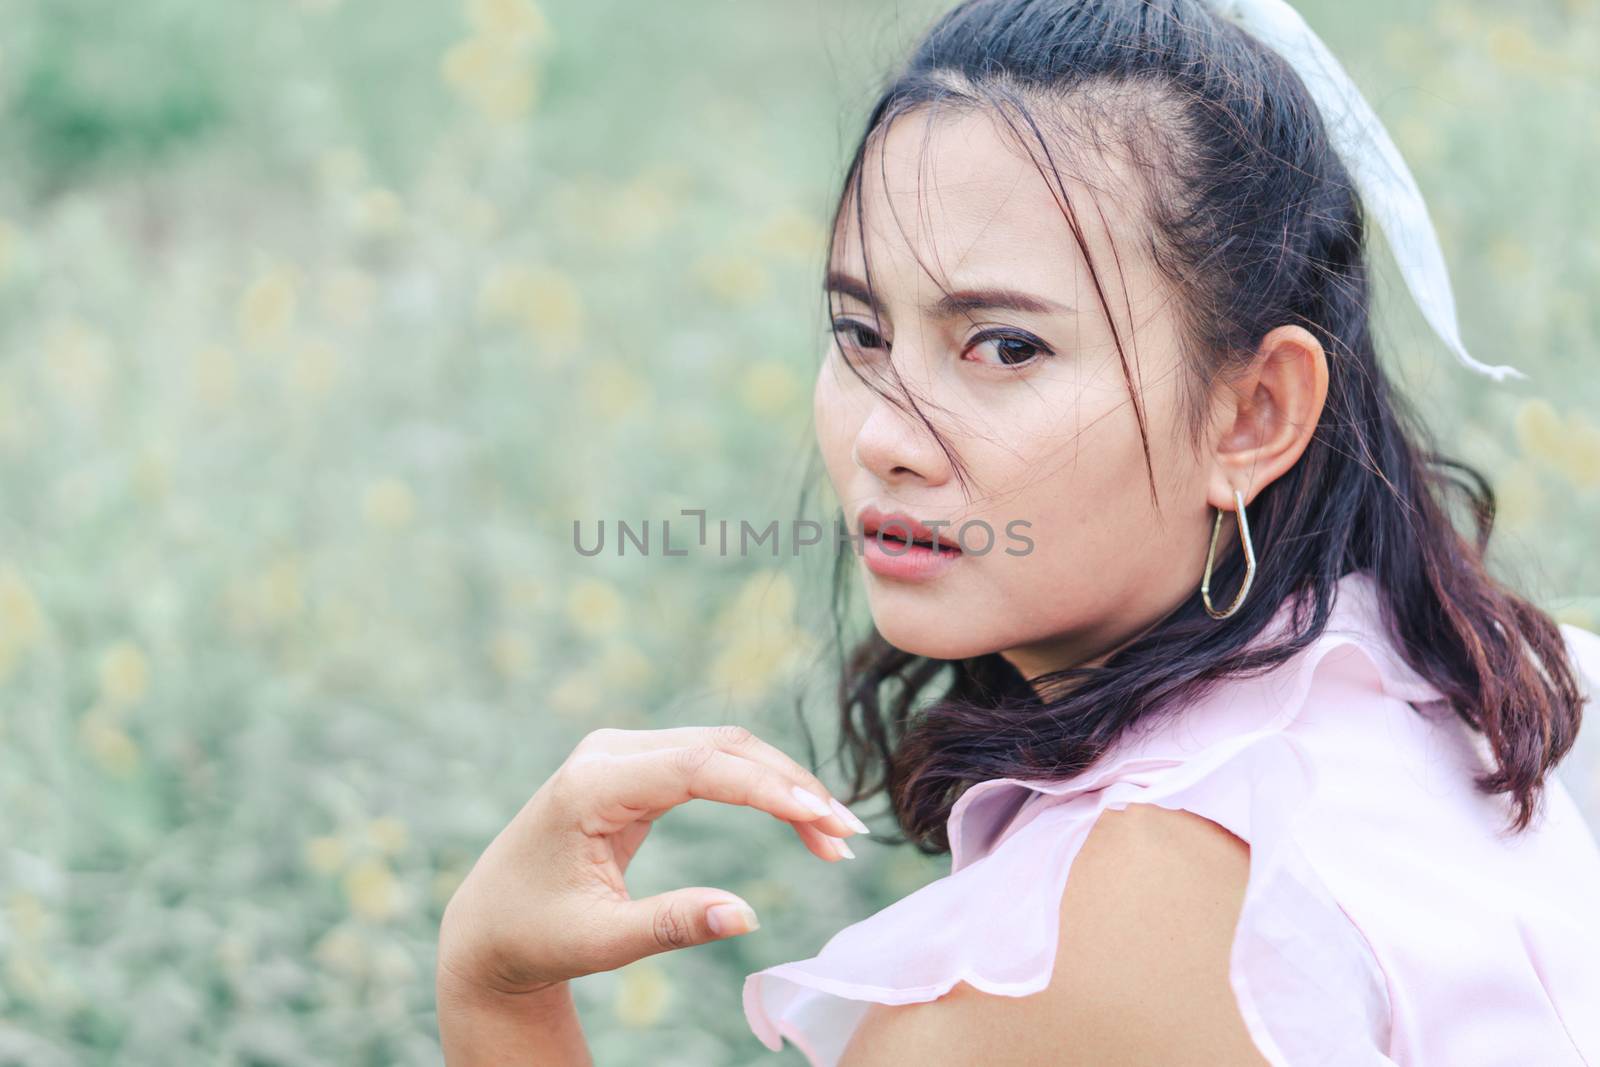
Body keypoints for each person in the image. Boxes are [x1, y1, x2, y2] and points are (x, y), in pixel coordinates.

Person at [434, 0, 1600, 1063]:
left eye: (1003, 346)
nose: (883, 435)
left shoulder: (1110, 931)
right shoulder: (1503, 691)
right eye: (861, 330)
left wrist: (496, 990)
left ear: (1253, 413)